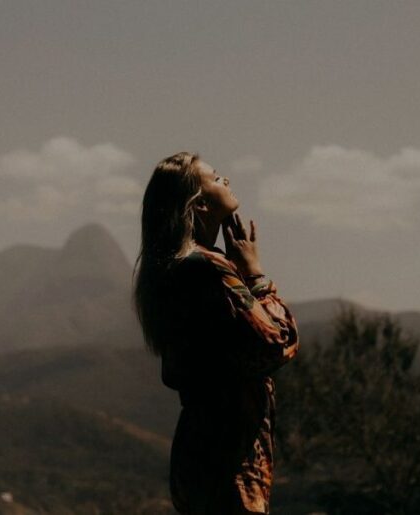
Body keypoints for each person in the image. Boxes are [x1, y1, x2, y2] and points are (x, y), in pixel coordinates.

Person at [132, 151, 300, 514]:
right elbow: (277, 344)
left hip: (199, 455)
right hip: (229, 459)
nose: (226, 179)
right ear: (201, 204)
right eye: (215, 177)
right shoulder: (207, 269)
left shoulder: (175, 271)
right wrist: (255, 275)